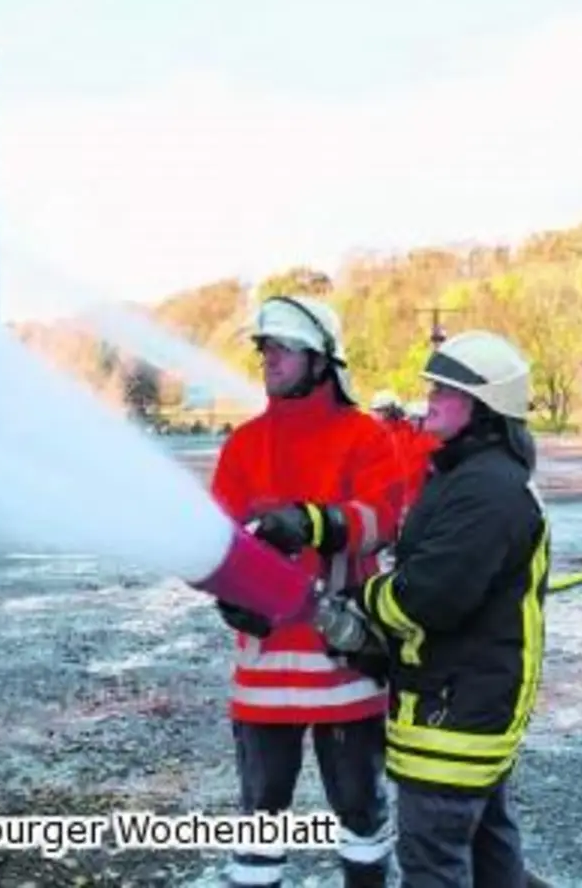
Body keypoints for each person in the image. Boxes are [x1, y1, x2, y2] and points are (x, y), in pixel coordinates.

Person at [208, 294, 408, 888]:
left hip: (342, 662)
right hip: (264, 670)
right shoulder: (244, 444)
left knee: (361, 814)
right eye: (263, 347)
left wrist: (313, 522)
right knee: (259, 824)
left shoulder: (365, 437)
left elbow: (382, 519)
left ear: (322, 360)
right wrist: (227, 592)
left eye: (282, 347)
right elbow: (218, 536)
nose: (267, 357)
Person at [347, 330, 550, 888]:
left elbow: (428, 597)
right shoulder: (473, 476)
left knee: (434, 866)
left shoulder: (485, 490)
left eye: (446, 390)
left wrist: (363, 602)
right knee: (491, 854)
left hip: (451, 723)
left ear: (483, 407)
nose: (430, 397)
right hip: (467, 710)